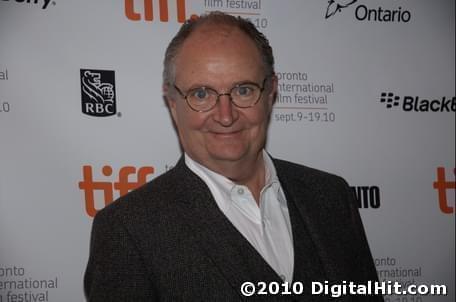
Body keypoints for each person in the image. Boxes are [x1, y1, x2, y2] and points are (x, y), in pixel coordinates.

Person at [84, 12, 383, 301]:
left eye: (243, 90)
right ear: (173, 103)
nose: (226, 116)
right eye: (201, 94)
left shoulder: (331, 197)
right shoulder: (127, 231)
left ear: (270, 93)